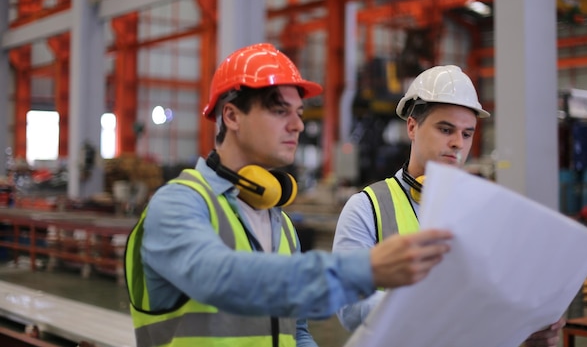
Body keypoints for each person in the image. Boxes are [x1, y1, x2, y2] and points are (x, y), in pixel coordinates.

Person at [124, 43, 454, 347]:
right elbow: (222, 279)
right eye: (280, 111)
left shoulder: (278, 222)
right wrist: (367, 268)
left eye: (299, 112)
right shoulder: (178, 204)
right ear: (232, 116)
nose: (297, 125)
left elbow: (294, 330)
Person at [332, 65, 565, 346]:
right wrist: (438, 311)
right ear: (412, 127)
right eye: (446, 129)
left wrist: (525, 329)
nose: (457, 144)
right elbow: (349, 305)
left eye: (467, 134)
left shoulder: (485, 213)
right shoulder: (367, 208)